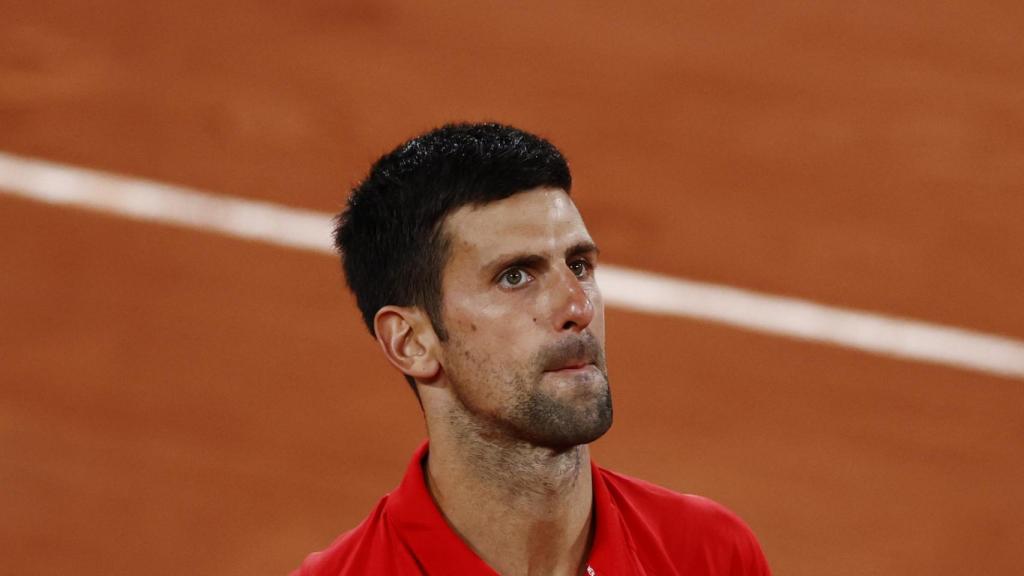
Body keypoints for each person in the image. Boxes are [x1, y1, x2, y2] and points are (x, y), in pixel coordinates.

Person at [291, 123, 771, 575]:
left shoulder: (706, 553)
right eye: (515, 276)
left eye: (579, 266)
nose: (578, 306)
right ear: (412, 342)